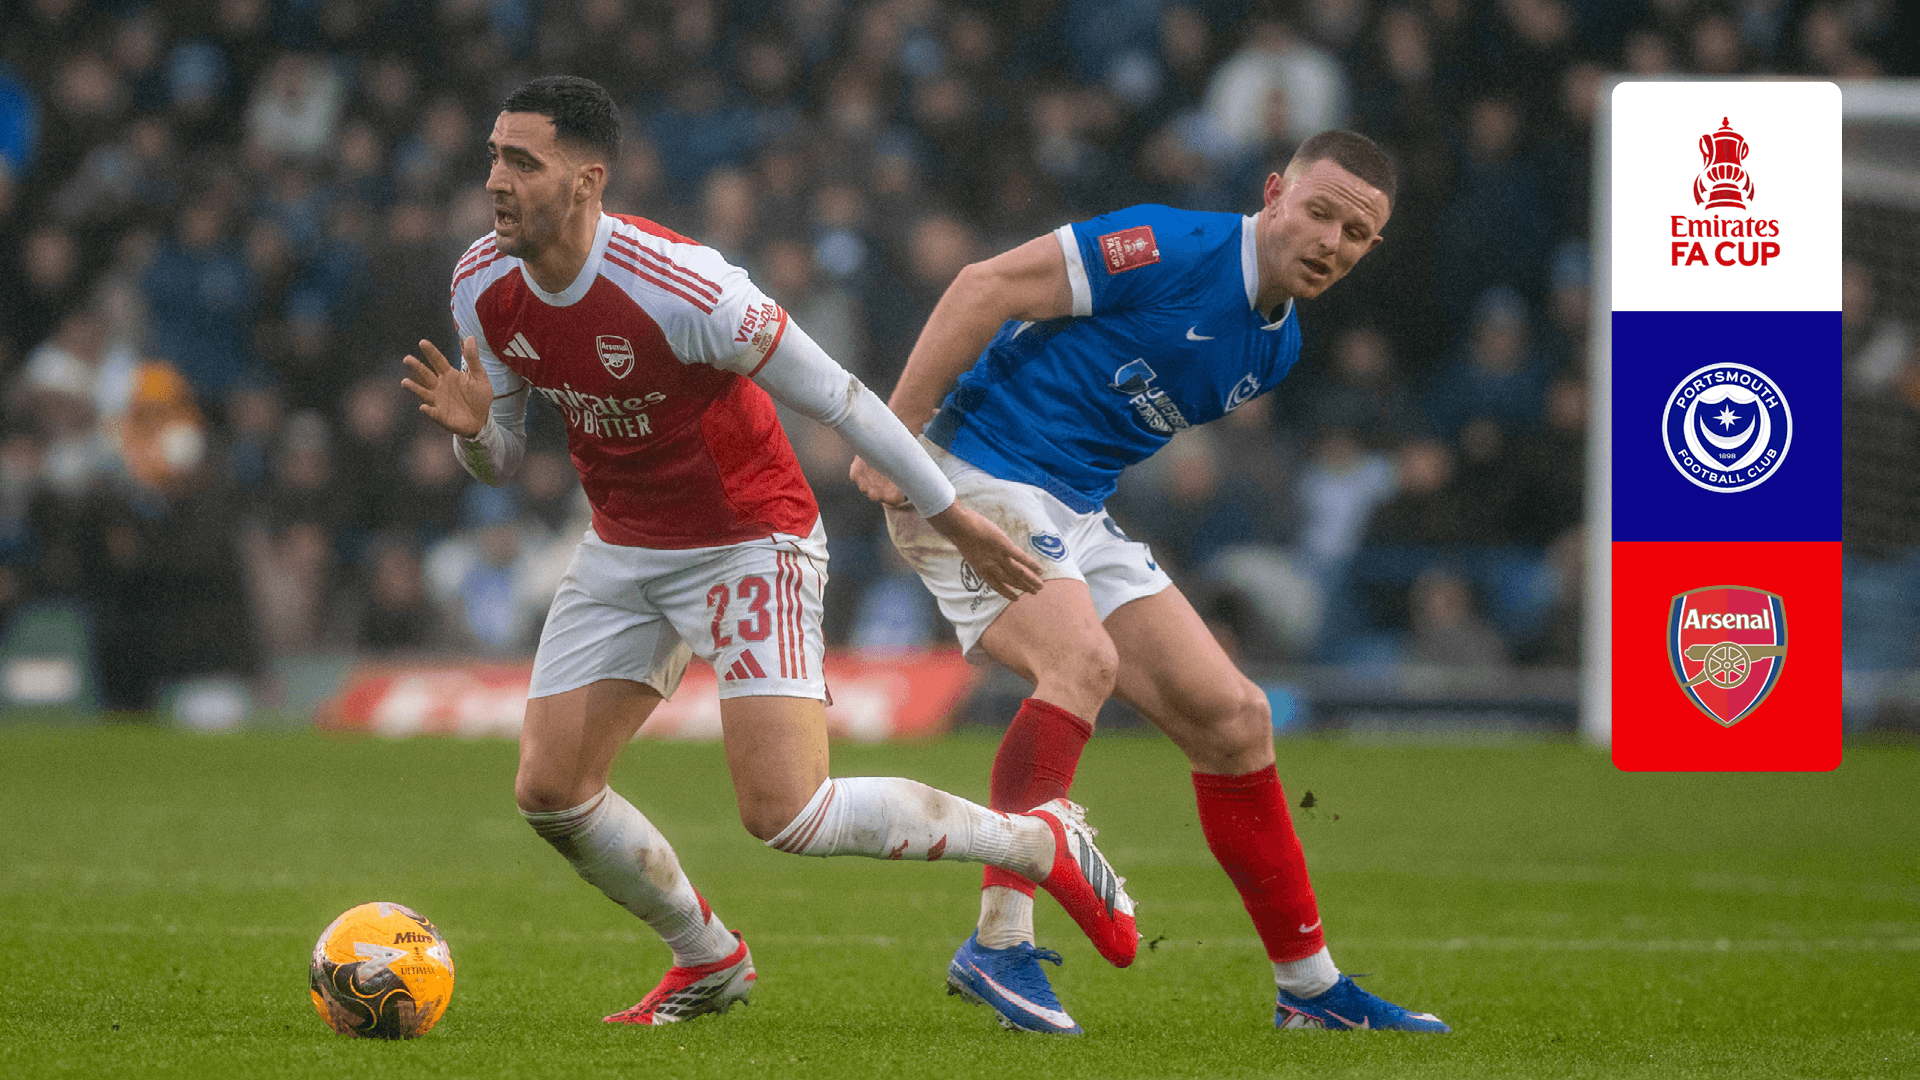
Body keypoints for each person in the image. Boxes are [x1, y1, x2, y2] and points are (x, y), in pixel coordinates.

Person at [400, 76, 1138, 1027]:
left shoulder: (684, 286)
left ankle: (1036, 845)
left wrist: (951, 516)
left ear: (587, 181)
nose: (496, 180)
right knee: (550, 791)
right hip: (623, 544)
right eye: (493, 157)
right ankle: (707, 958)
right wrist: (472, 434)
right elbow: (500, 458)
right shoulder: (480, 282)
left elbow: (842, 399)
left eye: (522, 162)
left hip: (749, 539)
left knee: (786, 813)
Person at [851, 131, 1450, 1034]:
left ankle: (1310, 989)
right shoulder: (1171, 245)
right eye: (1320, 212)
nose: (1331, 242)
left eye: (1356, 233)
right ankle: (999, 942)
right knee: (1081, 661)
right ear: (1275, 193)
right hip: (972, 472)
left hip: (1073, 509)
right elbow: (984, 286)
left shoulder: (1277, 350)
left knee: (1236, 720)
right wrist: (896, 433)